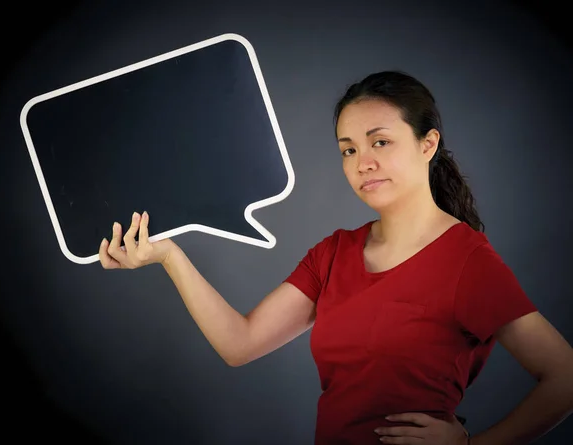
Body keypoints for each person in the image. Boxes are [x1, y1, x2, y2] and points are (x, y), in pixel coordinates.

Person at [98, 71, 573, 445]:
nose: (362, 162)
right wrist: (169, 256)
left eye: (380, 141)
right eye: (348, 149)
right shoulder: (334, 253)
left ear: (427, 145)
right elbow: (239, 344)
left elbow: (565, 378)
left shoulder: (466, 259)